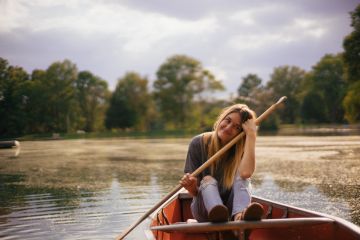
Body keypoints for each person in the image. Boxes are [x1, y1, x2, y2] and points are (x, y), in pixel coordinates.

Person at [179, 103, 264, 223]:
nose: (228, 128)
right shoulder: (198, 143)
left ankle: (239, 219)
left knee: (242, 177)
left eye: (237, 127)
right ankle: (221, 217)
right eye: (227, 120)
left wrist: (251, 135)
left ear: (242, 133)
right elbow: (194, 193)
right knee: (208, 179)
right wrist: (191, 187)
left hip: (232, 211)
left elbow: (246, 173)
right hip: (204, 212)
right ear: (221, 119)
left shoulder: (243, 147)